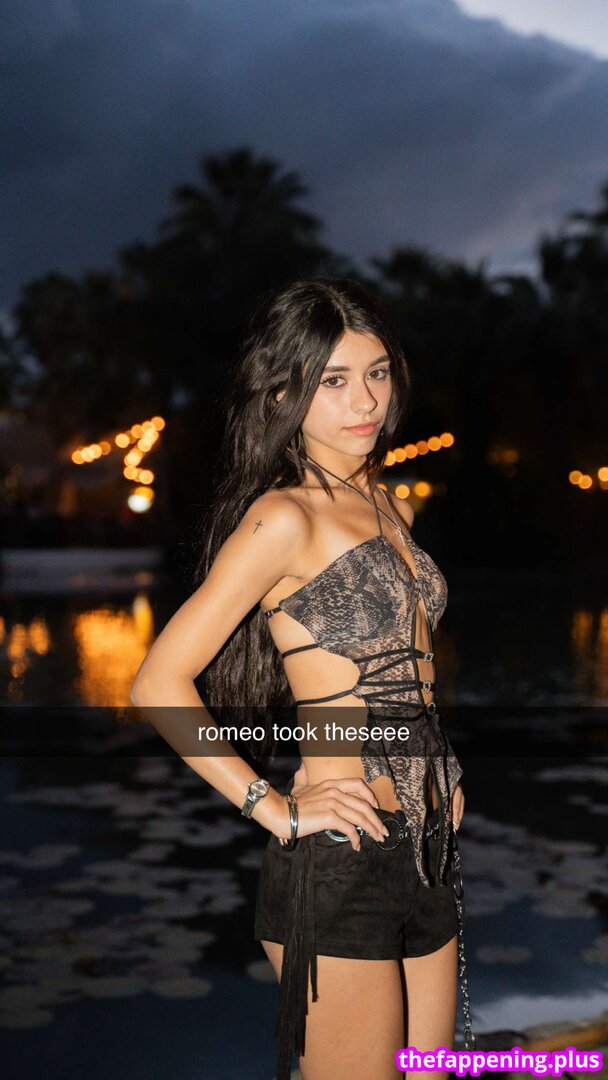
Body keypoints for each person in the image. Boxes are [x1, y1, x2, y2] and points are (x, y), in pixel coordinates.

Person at [129, 277, 474, 1080]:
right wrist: (271, 806)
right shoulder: (284, 518)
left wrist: (443, 773)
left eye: (377, 373)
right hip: (339, 860)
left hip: (429, 846)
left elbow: (409, 677)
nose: (366, 401)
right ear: (284, 393)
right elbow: (157, 682)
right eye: (335, 381)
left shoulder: (390, 505)